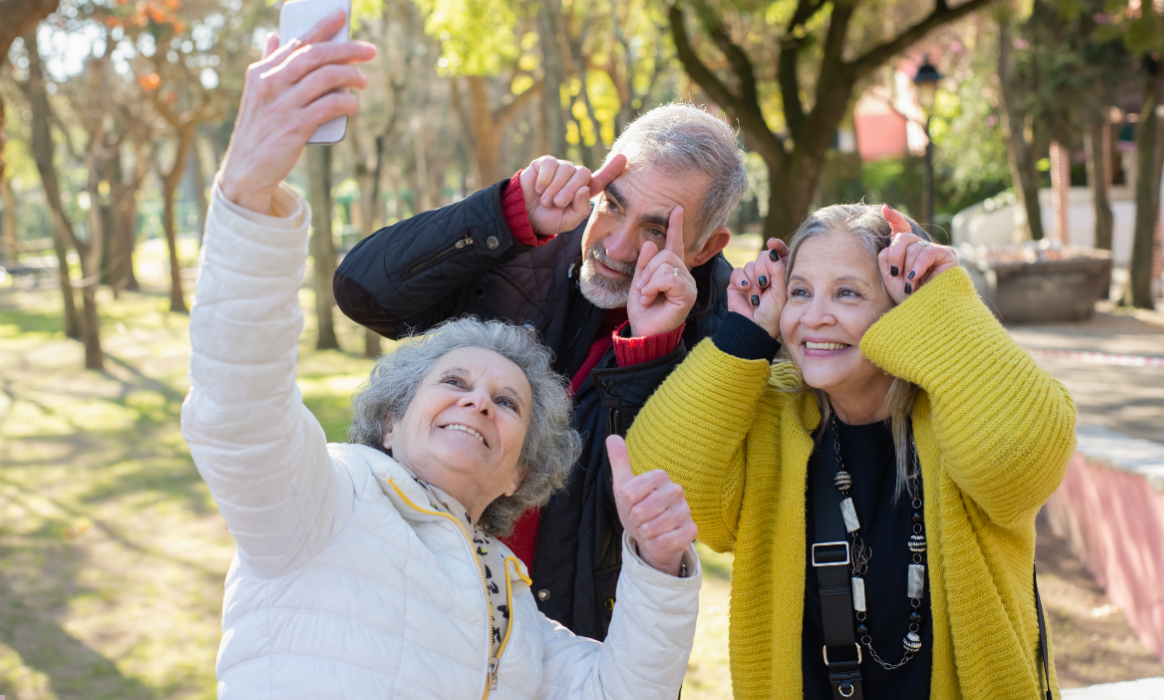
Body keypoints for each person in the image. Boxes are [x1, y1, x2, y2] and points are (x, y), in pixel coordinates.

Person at [182, 11, 702, 698]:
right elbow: (238, 412)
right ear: (390, 421)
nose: (479, 400)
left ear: (520, 474)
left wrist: (659, 569)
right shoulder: (325, 504)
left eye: (507, 402)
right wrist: (248, 195)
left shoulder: (514, 612)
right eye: (453, 381)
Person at [625, 203, 1077, 698]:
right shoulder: (772, 414)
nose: (815, 318)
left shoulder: (963, 408)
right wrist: (743, 335)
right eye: (800, 292)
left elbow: (1017, 461)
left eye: (847, 293)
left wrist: (944, 305)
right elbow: (660, 483)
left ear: (903, 306)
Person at [334, 99, 747, 639]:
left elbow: (644, 506)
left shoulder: (728, 335)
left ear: (705, 248)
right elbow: (363, 294)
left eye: (654, 230)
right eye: (613, 204)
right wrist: (507, 213)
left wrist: (649, 349)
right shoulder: (528, 241)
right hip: (420, 601)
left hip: (570, 642)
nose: (616, 245)